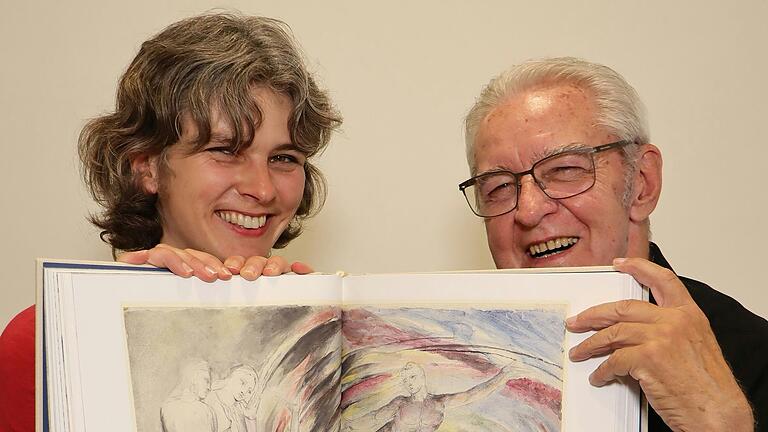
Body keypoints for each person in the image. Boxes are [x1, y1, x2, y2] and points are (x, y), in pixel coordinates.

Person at [0, 12, 341, 432]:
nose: (263, 189)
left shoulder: (333, 337)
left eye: (284, 158)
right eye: (226, 150)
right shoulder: (48, 341)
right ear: (148, 168)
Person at [459, 57, 768, 431]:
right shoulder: (464, 363)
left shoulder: (754, 358)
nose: (528, 210)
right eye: (499, 187)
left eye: (564, 170)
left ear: (641, 183)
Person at [345, 361, 517, 431]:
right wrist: (346, 425)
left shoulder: (439, 403)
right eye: (405, 380)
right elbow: (374, 419)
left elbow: (472, 395)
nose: (409, 383)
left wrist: (502, 375)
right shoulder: (400, 404)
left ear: (422, 377)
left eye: (412, 377)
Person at [161, 359, 217, 432]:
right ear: (193, 378)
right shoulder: (205, 411)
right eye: (206, 380)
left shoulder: (167, 407)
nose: (209, 387)